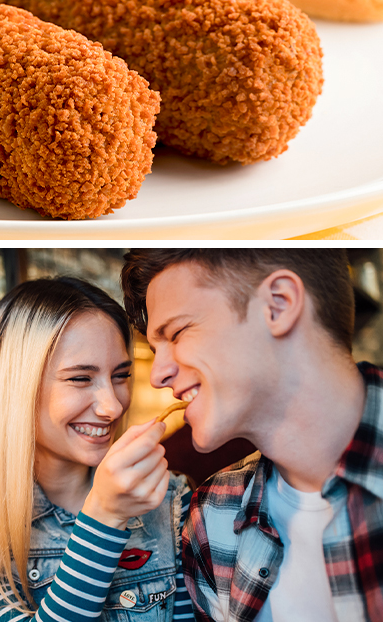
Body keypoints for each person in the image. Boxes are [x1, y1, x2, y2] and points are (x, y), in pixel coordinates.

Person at [121, 249, 381, 622]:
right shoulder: (210, 517)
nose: (156, 374)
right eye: (154, 348)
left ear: (277, 305)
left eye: (176, 333)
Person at [0, 277, 194, 622]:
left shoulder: (173, 499)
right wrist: (105, 515)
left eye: (120, 375)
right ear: (17, 387)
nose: (112, 407)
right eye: (80, 378)